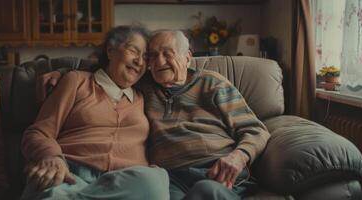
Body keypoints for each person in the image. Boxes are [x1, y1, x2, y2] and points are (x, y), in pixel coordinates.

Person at [20, 25, 169, 200]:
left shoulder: (144, 95)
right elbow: (38, 132)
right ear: (110, 50)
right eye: (133, 51)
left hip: (124, 183)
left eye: (145, 57)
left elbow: (176, 75)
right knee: (52, 188)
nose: (140, 61)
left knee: (153, 181)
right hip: (70, 175)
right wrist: (52, 157)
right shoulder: (76, 81)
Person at [143, 30, 271, 200]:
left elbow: (255, 130)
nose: (159, 61)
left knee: (205, 191)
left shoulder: (212, 83)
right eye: (152, 55)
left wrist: (238, 157)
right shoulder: (143, 87)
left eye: (167, 53)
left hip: (218, 173)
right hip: (171, 178)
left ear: (187, 57)